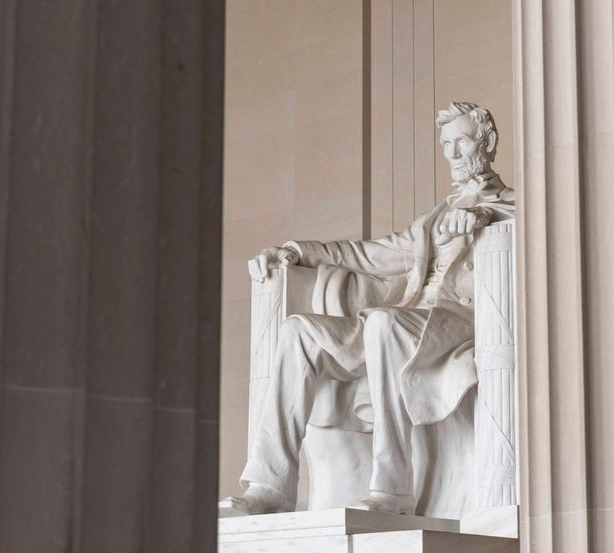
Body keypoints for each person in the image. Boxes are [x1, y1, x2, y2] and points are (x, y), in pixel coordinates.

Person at [220, 102, 515, 516]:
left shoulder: (511, 205)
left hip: (458, 325)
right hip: (404, 322)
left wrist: (484, 215)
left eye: (461, 141)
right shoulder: (433, 220)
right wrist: (295, 250)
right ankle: (270, 487)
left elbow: (534, 226)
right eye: (445, 143)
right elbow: (367, 254)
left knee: (383, 323)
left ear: (487, 144)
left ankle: (392, 489)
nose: (451, 153)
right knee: (296, 331)